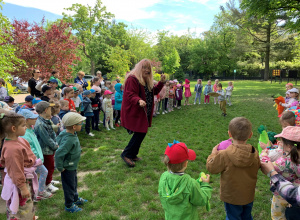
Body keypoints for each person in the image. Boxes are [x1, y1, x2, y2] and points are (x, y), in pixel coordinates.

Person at [206, 117, 260, 220]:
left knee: (232, 217)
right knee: (247, 216)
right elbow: (257, 167)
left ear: (229, 134)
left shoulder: (224, 154)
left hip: (231, 196)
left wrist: (213, 154)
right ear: (250, 135)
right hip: (248, 194)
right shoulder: (254, 153)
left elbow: (211, 168)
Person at [120, 59, 165, 167]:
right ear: (139, 68)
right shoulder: (133, 79)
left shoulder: (145, 80)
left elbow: (153, 91)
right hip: (136, 110)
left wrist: (161, 82)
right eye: (144, 67)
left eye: (148, 68)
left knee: (141, 132)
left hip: (144, 111)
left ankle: (132, 154)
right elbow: (130, 94)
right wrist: (138, 100)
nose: (147, 70)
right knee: (140, 132)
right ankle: (126, 154)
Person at [0, 110, 40, 219]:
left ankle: (30, 216)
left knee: (28, 203)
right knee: (21, 207)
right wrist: (22, 188)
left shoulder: (20, 140)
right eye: (23, 125)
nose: (25, 127)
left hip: (26, 178)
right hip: (19, 182)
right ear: (14, 129)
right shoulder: (12, 149)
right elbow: (15, 170)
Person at [158, 140, 212, 220]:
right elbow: (202, 199)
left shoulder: (163, 177)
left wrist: (196, 182)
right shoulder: (190, 183)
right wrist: (205, 185)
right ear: (185, 164)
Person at [260, 126, 300, 220]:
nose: (280, 143)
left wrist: (264, 154)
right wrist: (275, 147)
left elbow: (267, 165)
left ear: (289, 146)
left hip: (280, 195)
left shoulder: (284, 162)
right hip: (295, 194)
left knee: (277, 216)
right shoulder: (296, 157)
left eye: (282, 142)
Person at [55, 112, 88, 213]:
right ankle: (69, 205)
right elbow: (59, 154)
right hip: (67, 167)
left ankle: (75, 199)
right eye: (80, 123)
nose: (82, 124)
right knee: (69, 186)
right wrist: (60, 167)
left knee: (73, 183)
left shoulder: (69, 132)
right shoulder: (69, 139)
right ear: (74, 126)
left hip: (72, 166)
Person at [18, 109, 53, 200]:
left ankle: (36, 192)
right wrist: (36, 158)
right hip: (34, 160)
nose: (35, 119)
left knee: (35, 175)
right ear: (26, 120)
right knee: (44, 172)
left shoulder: (30, 129)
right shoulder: (24, 134)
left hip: (36, 159)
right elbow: (29, 148)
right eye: (33, 118)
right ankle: (40, 192)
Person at [34, 101, 59, 194]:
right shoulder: (40, 124)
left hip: (50, 148)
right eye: (49, 108)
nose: (51, 110)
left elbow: (52, 133)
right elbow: (46, 139)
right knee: (49, 167)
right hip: (46, 150)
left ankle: (49, 180)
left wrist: (55, 143)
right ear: (45, 110)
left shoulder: (47, 120)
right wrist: (55, 146)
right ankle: (47, 184)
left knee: (51, 166)